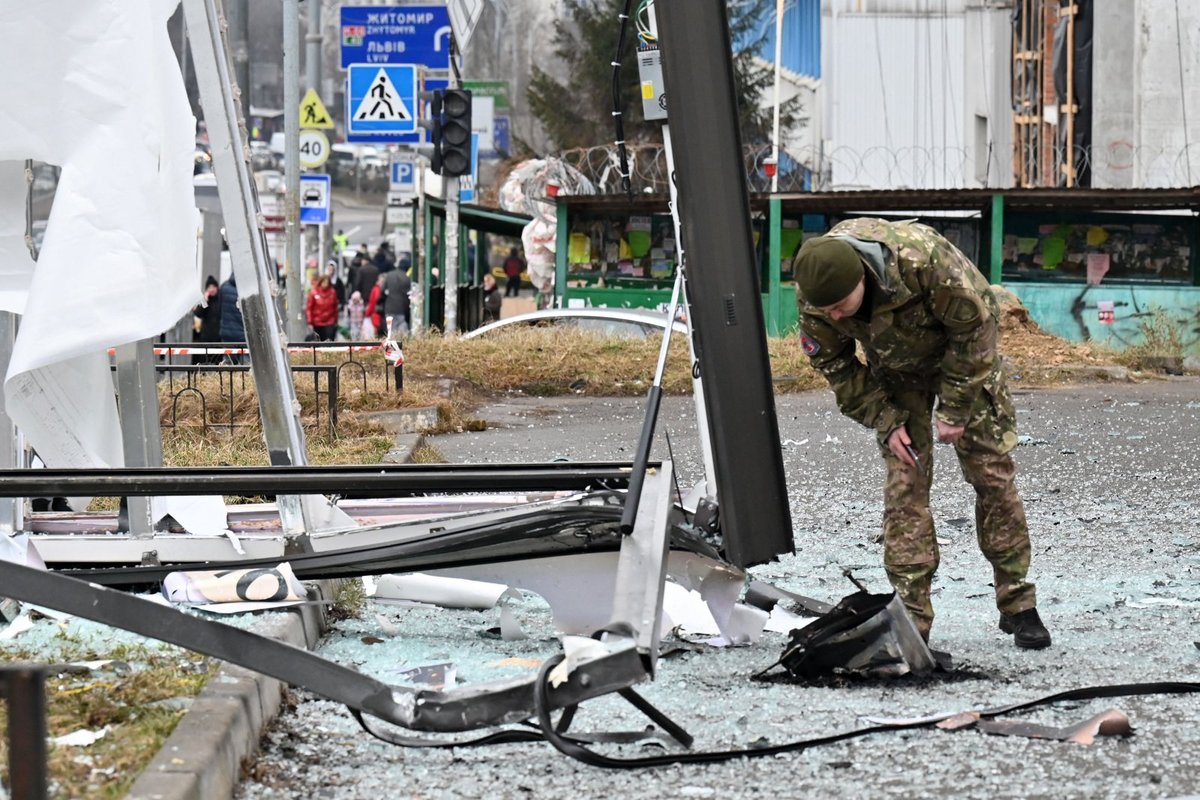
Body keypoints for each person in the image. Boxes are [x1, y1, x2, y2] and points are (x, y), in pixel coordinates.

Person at [792, 218, 1050, 650]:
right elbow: (836, 365)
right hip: (896, 379)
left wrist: (955, 408)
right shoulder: (817, 296)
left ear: (862, 275)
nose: (835, 316)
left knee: (994, 481)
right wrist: (885, 419)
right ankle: (912, 619)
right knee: (905, 491)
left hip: (965, 367)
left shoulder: (924, 260)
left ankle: (1018, 604)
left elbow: (976, 332)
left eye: (841, 305)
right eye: (827, 311)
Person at [192, 275, 221, 364]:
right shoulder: (205, 301)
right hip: (206, 338)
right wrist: (205, 300)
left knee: (218, 362)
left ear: (217, 288)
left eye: (213, 287)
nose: (211, 289)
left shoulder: (220, 300)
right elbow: (198, 313)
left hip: (219, 338)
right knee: (204, 362)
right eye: (209, 287)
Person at [305, 273, 340, 341]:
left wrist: (335, 321)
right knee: (318, 342)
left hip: (330, 322)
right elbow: (309, 308)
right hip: (317, 322)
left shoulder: (333, 292)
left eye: (327, 282)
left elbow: (335, 307)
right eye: (323, 282)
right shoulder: (313, 293)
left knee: (329, 342)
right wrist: (310, 321)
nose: (325, 284)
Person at [382, 262, 412, 335]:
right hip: (401, 308)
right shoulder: (407, 278)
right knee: (401, 329)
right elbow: (408, 295)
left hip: (389, 307)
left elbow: (382, 290)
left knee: (390, 329)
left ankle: (390, 344)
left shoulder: (389, 275)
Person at [364, 273, 386, 338]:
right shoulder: (381, 290)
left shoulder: (375, 289)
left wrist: (367, 314)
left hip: (377, 316)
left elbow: (372, 303)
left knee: (378, 337)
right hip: (380, 316)